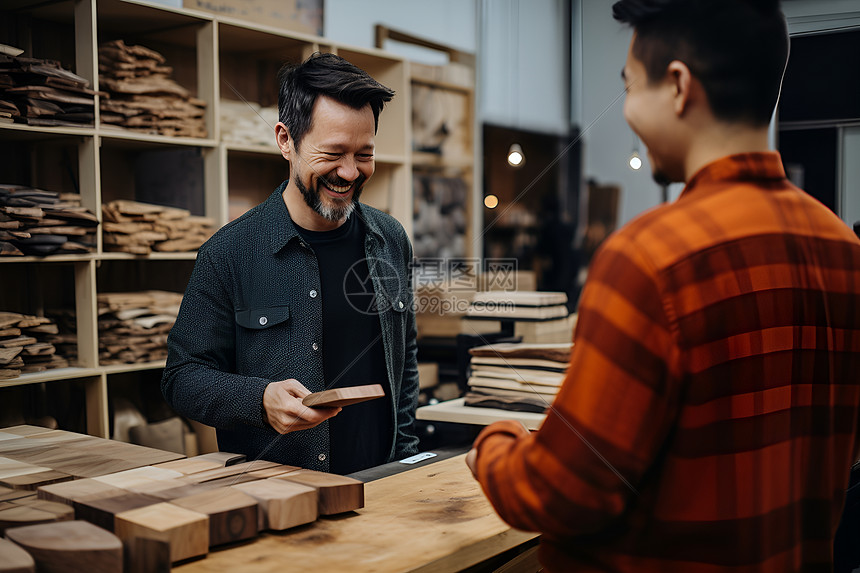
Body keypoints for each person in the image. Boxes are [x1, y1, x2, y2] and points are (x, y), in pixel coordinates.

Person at [466, 1, 860, 571]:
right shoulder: (844, 251)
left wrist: (494, 443)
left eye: (628, 86)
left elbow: (561, 496)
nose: (626, 108)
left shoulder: (647, 259)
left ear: (678, 86)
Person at [162, 52, 419, 475]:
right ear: (286, 140)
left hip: (385, 483)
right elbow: (182, 377)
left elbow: (403, 359)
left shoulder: (391, 239)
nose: (350, 172)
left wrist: (407, 456)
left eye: (365, 154)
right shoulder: (228, 253)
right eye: (333, 153)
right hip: (284, 493)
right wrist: (259, 400)